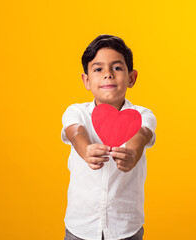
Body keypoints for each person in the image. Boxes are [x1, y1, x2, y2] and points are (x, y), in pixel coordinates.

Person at [61, 34, 157, 240]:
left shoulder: (142, 115)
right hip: (81, 227)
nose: (108, 74)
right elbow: (75, 132)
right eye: (98, 69)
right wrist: (86, 150)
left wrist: (133, 152)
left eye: (117, 67)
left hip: (126, 228)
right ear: (86, 80)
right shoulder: (75, 112)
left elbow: (142, 133)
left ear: (131, 78)